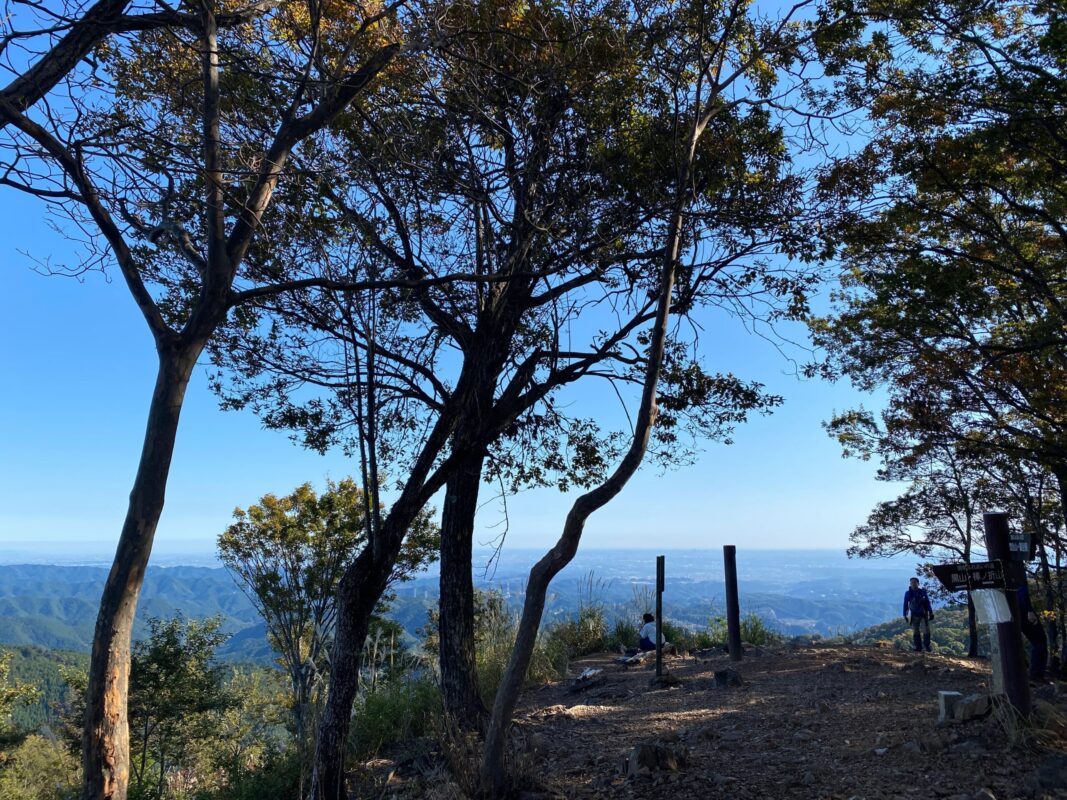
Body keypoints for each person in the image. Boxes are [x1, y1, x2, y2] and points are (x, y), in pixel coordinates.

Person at [1017, 582, 1048, 681]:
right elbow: (1023, 594)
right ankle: (1036, 674)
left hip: (1020, 614)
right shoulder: (1019, 577)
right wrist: (1029, 611)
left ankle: (1035, 673)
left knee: (1039, 642)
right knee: (1040, 642)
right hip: (1025, 614)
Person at [903, 577, 935, 653]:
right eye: (911, 582)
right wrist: (905, 614)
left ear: (918, 583)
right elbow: (905, 604)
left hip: (924, 614)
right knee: (916, 631)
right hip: (914, 615)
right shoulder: (908, 593)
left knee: (926, 631)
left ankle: (927, 646)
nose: (913, 584)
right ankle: (918, 647)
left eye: (914, 582)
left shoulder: (923, 592)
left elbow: (927, 602)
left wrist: (931, 612)